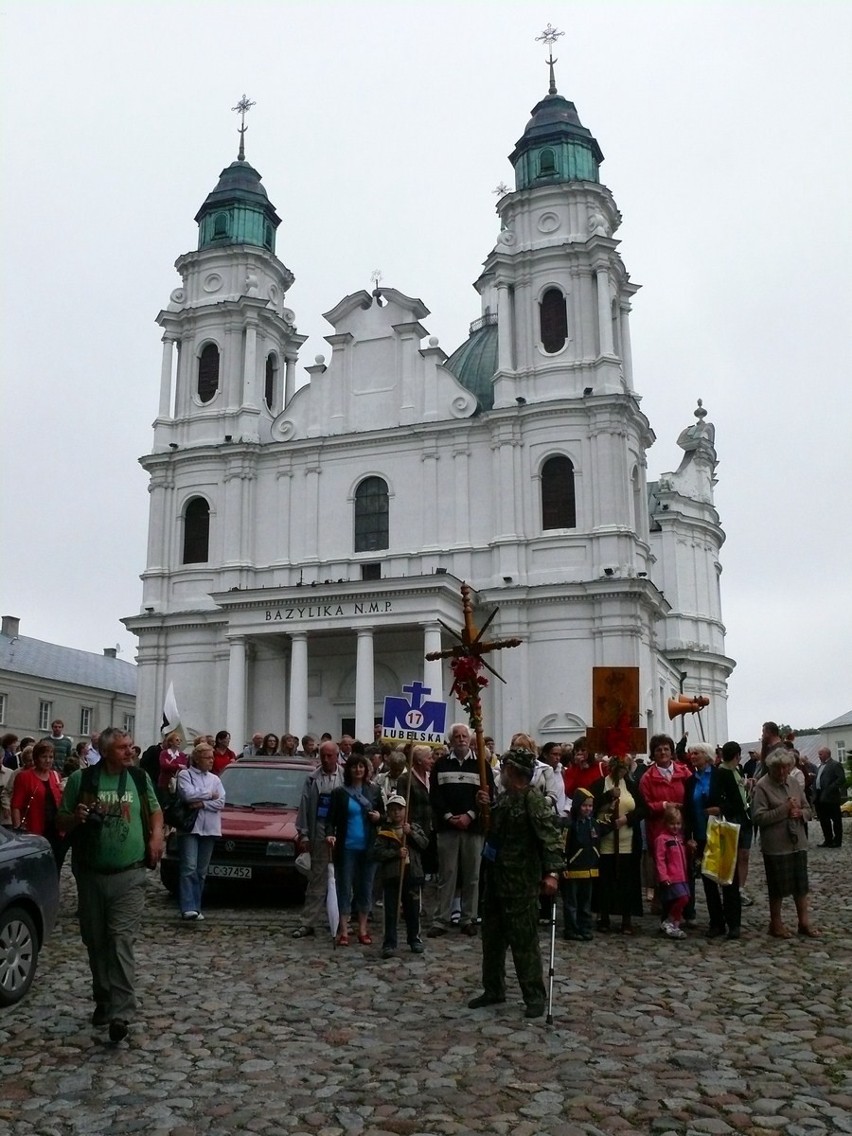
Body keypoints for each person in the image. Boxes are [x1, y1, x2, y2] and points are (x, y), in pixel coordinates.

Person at [57, 726, 164, 1042]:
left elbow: (155, 814)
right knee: (96, 941)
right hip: (90, 873)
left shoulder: (139, 779)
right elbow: (60, 823)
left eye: (130, 746)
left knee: (120, 940)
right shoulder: (82, 780)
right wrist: (76, 817)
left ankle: (121, 1012)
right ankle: (103, 999)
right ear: (105, 752)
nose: (130, 751)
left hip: (129, 875)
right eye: (122, 748)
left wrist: (156, 837)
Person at [468, 747, 563, 1018]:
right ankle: (493, 988)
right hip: (496, 880)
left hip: (521, 884)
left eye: (504, 769)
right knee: (493, 940)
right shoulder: (506, 798)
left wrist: (552, 874)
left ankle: (534, 995)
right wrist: (484, 805)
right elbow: (493, 827)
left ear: (511, 771)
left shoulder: (532, 800)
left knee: (524, 942)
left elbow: (550, 837)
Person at [428, 723, 493, 938]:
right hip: (447, 827)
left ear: (470, 739)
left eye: (465, 736)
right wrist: (448, 817)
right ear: (451, 740)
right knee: (447, 874)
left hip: (473, 827)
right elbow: (435, 795)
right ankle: (442, 919)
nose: (461, 739)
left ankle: (468, 918)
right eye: (457, 736)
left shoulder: (481, 765)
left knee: (472, 875)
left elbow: (487, 794)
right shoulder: (441, 765)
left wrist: (470, 815)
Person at [752, 745, 819, 939]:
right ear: (771, 768)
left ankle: (803, 922)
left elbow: (808, 808)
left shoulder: (794, 783)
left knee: (801, 886)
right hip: (776, 845)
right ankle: (775, 923)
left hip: (797, 842)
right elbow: (758, 817)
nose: (782, 772)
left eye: (785, 768)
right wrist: (784, 810)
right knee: (777, 887)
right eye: (777, 768)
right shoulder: (763, 786)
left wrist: (801, 813)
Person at [326, 752, 382, 946]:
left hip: (368, 846)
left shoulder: (374, 791)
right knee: (344, 886)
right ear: (348, 770)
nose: (358, 770)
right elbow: (330, 819)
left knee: (365, 887)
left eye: (361, 767)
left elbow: (383, 815)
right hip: (346, 847)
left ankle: (363, 928)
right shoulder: (339, 793)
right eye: (354, 767)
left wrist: (378, 818)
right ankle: (343, 929)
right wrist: (330, 833)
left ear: (366, 769)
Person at [638, 733, 692, 925]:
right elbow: (645, 805)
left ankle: (684, 909)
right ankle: (666, 912)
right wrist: (663, 805)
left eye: (666, 749)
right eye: (659, 749)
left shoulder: (683, 773)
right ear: (653, 753)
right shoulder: (647, 778)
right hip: (659, 830)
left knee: (683, 867)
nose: (663, 752)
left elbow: (691, 796)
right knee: (664, 869)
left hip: (681, 827)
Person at [293, 740, 343, 938]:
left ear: (337, 756)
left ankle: (341, 920)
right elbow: (305, 805)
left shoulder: (344, 776)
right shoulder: (312, 779)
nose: (326, 759)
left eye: (330, 755)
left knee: (342, 879)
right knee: (317, 880)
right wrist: (303, 832)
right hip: (319, 831)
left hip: (342, 833)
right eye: (323, 755)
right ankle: (308, 921)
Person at [591, 754, 643, 934]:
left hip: (627, 841)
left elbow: (643, 809)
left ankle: (626, 918)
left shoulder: (631, 786)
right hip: (605, 841)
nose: (621, 773)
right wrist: (607, 796)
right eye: (619, 769)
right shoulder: (600, 785)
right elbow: (591, 806)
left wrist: (627, 819)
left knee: (627, 881)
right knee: (605, 880)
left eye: (624, 770)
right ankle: (603, 916)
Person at [372, 793, 428, 957]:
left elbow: (424, 844)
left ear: (405, 810)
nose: (396, 813)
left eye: (399, 809)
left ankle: (414, 939)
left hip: (412, 875)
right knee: (390, 911)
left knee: (412, 910)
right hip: (392, 877)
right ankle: (389, 942)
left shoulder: (413, 828)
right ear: (388, 812)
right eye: (393, 810)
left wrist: (410, 834)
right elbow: (377, 853)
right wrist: (396, 853)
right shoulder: (385, 832)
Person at [703, 741, 748, 940]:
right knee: (718, 876)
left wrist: (722, 808)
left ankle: (732, 922)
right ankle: (723, 922)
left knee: (728, 876)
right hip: (718, 829)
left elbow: (737, 802)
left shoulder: (727, 772)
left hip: (728, 828)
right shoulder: (721, 773)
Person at [175, 743, 225, 920]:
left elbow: (221, 802)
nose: (211, 761)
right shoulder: (185, 775)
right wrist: (209, 795)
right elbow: (187, 795)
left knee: (201, 870)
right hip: (190, 827)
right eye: (207, 757)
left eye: (212, 758)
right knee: (189, 867)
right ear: (197, 758)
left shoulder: (215, 779)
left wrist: (202, 802)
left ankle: (197, 905)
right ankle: (188, 906)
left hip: (210, 828)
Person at [561, 788, 618, 941]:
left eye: (590, 806)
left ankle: (585, 927)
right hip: (573, 869)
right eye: (585, 805)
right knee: (572, 903)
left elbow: (607, 825)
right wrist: (563, 865)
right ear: (578, 806)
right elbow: (563, 846)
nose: (588, 809)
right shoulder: (570, 825)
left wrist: (611, 809)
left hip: (590, 868)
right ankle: (571, 929)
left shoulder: (594, 824)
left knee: (585, 903)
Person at [10, 739, 66, 869]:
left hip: (56, 831)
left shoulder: (55, 776)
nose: (48, 760)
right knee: (36, 868)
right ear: (36, 758)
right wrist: (18, 831)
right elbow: (16, 806)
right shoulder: (24, 777)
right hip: (35, 830)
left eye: (51, 757)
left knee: (55, 867)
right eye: (44, 757)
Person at [654, 804, 692, 940]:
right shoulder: (662, 839)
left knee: (682, 901)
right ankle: (669, 921)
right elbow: (660, 859)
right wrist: (663, 876)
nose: (675, 827)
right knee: (683, 898)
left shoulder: (679, 838)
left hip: (681, 876)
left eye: (678, 824)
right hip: (671, 876)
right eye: (672, 824)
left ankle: (675, 925)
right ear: (666, 823)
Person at [813, 746, 846, 848]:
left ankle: (837, 840)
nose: (819, 756)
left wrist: (830, 788)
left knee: (836, 820)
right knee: (824, 820)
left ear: (827, 754)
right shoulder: (820, 766)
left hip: (831, 797)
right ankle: (828, 839)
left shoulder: (835, 764)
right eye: (819, 754)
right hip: (820, 796)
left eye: (821, 754)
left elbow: (841, 779)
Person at [157, 731, 188, 806]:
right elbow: (164, 765)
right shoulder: (164, 753)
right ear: (170, 742)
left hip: (177, 783)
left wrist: (171, 765)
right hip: (165, 784)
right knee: (165, 804)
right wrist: (178, 766)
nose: (179, 742)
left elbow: (185, 767)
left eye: (180, 740)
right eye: (177, 740)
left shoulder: (182, 755)